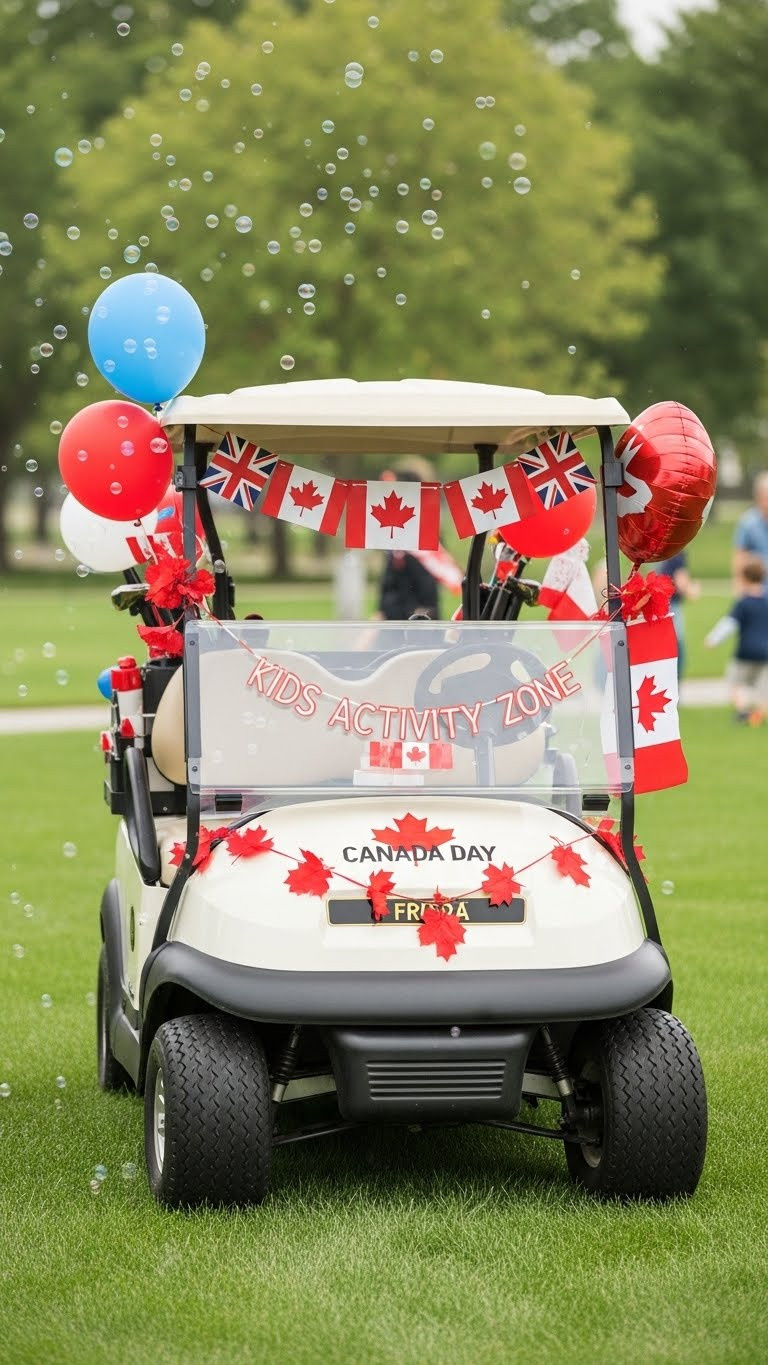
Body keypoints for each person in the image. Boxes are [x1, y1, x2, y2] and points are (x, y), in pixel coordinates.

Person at [705, 556, 768, 724]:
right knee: (763, 686)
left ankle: (742, 711)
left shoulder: (743, 602)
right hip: (765, 652)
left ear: (745, 578)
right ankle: (759, 714)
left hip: (745, 651)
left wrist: (713, 640)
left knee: (735, 681)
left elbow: (729, 624)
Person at [374, 463, 441, 621]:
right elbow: (389, 581)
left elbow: (427, 583)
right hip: (393, 618)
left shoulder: (426, 530)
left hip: (419, 619)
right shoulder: (395, 531)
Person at [656, 550, 700, 679]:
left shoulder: (663, 552)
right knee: (676, 652)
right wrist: (693, 590)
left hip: (660, 606)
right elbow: (683, 584)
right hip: (671, 607)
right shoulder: (677, 553)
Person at [733, 471, 768, 583]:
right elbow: (739, 557)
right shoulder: (748, 523)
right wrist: (740, 589)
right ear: (758, 497)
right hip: (757, 591)